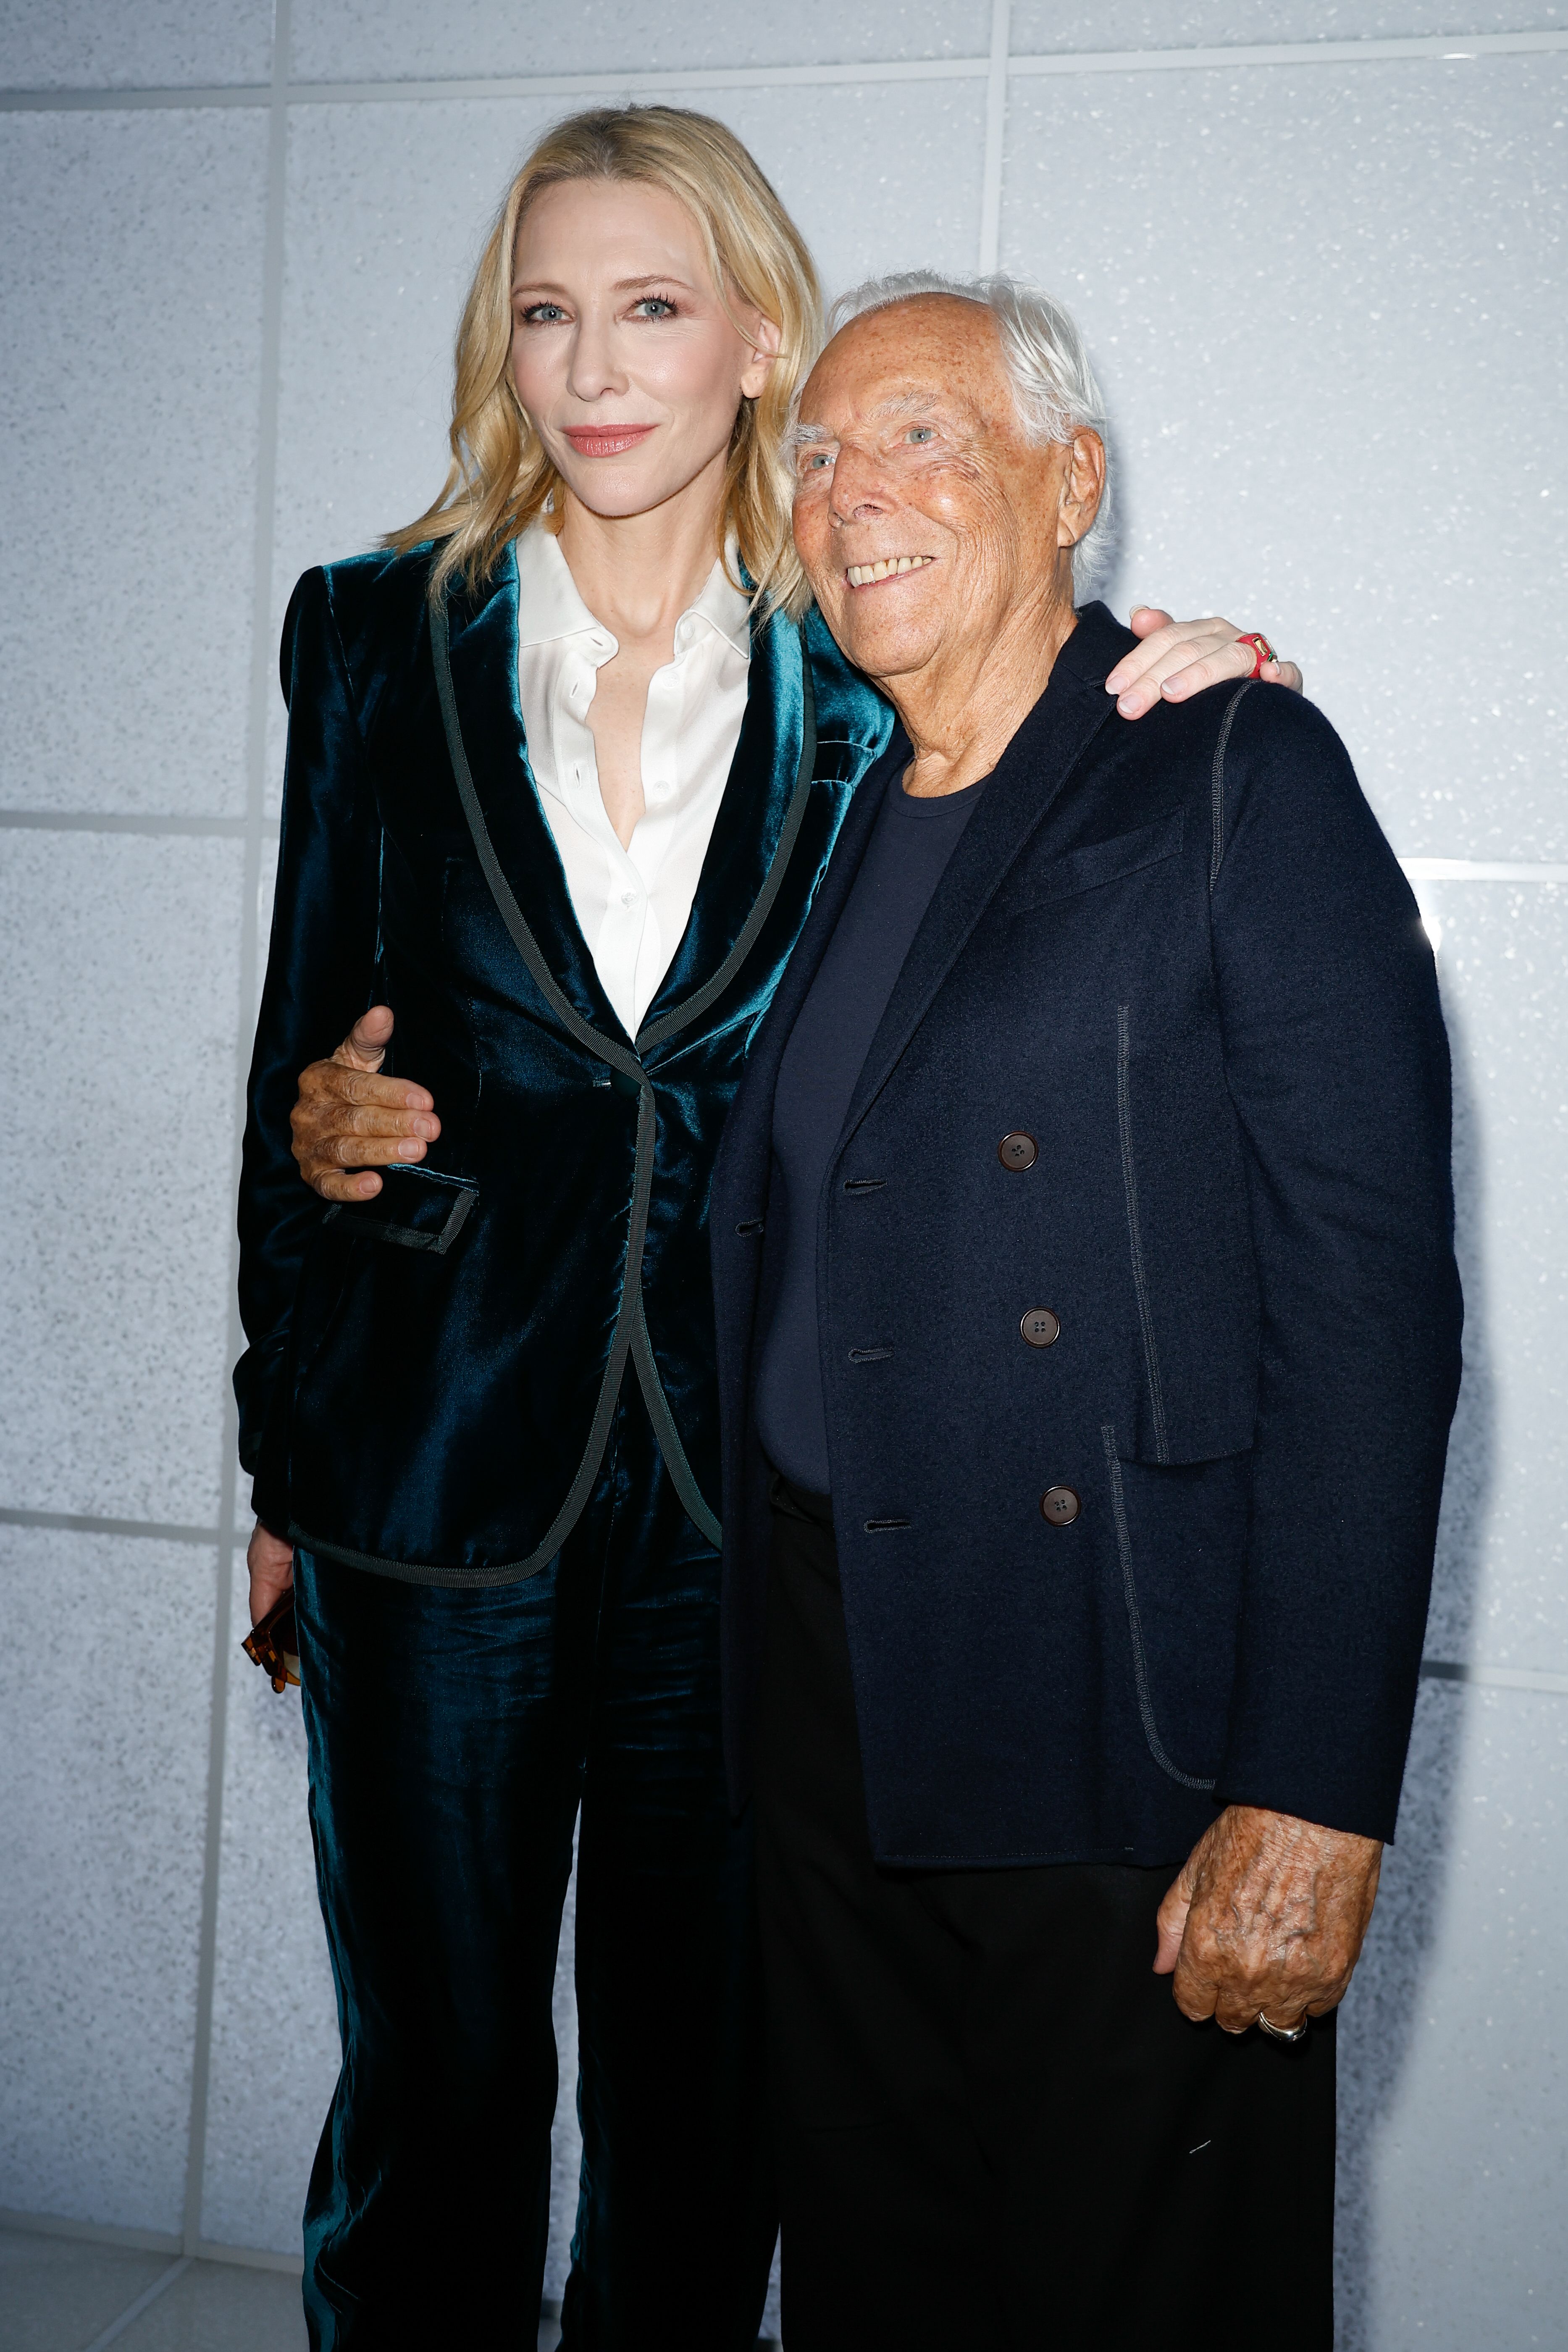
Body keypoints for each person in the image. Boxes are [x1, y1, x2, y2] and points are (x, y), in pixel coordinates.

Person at [241, 105, 1299, 2350]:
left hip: (758, 1511)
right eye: (544, 312)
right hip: (425, 1471)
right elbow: (292, 1070)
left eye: (649, 305)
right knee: (429, 2081)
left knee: (708, 2105)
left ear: (748, 342)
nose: (592, 363)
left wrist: (1200, 678)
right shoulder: (368, 634)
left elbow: (1057, 755)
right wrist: (277, 1456)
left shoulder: (860, 647)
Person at [708, 273, 1462, 2350]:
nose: (854, 493)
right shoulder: (825, 814)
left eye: (921, 437)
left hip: (1114, 1709)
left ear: (1071, 482)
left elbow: (1371, 1304)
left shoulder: (1229, 765)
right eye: (820, 451)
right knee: (878, 2278)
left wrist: (1313, 1791)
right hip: (826, 1685)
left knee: (1136, 2299)